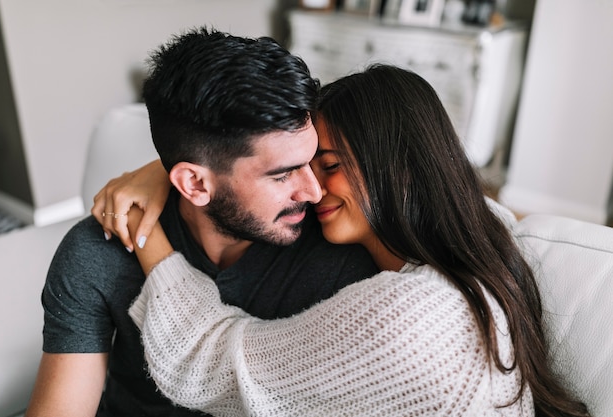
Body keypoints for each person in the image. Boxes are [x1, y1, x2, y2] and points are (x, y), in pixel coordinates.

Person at [94, 65, 590, 416]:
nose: (308, 191)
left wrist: (148, 234)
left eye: (327, 166)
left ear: (400, 170)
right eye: (295, 169)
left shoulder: (416, 318)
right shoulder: (482, 241)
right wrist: (171, 172)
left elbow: (208, 361)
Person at [25, 27, 378, 417]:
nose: (313, 192)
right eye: (283, 174)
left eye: (312, 161)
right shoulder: (96, 252)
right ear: (193, 183)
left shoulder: (341, 254)